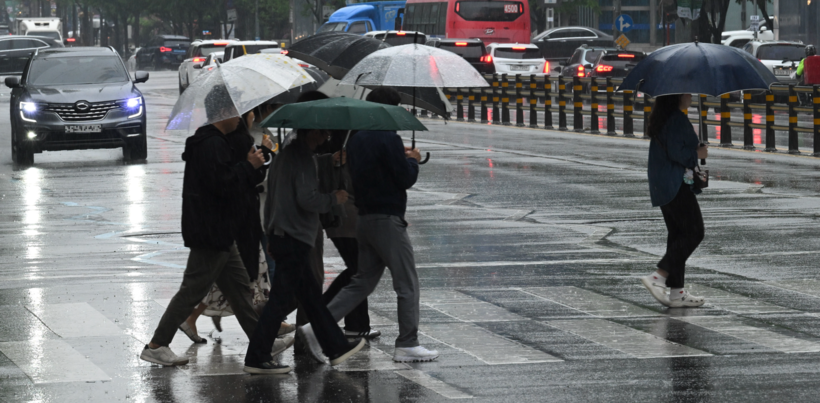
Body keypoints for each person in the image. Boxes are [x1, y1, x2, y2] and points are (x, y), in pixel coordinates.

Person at [302, 87, 439, 363]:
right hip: (387, 219)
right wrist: (411, 161)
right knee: (407, 282)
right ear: (387, 109)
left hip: (364, 218)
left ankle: (317, 328)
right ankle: (407, 343)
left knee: (361, 282)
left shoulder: (357, 138)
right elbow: (403, 178)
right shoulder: (387, 137)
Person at [140, 85, 266, 367]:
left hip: (219, 228)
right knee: (192, 291)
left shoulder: (214, 141)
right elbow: (221, 185)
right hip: (211, 230)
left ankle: (262, 343)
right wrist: (249, 166)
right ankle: (157, 344)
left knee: (240, 290)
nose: (239, 118)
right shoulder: (211, 144)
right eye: (235, 111)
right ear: (223, 112)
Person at [244, 122, 365, 373]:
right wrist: (334, 198)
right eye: (324, 131)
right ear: (312, 131)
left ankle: (335, 347)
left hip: (283, 234)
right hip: (294, 236)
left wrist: (269, 233)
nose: (326, 136)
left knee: (311, 300)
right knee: (282, 300)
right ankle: (257, 356)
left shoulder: (286, 155)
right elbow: (307, 198)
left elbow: (278, 196)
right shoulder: (301, 158)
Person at [178, 110, 295, 344]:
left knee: (242, 281)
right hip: (233, 223)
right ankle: (161, 340)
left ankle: (263, 337)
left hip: (226, 224)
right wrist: (261, 158)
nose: (252, 116)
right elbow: (231, 181)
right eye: (249, 112)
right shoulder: (227, 142)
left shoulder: (213, 141)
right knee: (219, 280)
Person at [641, 93, 709, 308]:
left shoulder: (663, 117)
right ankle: (658, 276)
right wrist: (698, 152)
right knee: (694, 232)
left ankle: (677, 292)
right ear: (677, 96)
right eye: (687, 93)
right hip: (675, 185)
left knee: (678, 235)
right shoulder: (676, 118)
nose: (690, 96)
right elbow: (677, 152)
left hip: (662, 184)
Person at [316, 130, 381, 340]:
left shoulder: (338, 149)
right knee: (358, 272)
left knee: (357, 271)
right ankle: (320, 313)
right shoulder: (346, 151)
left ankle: (356, 323)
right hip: (348, 219)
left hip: (344, 219)